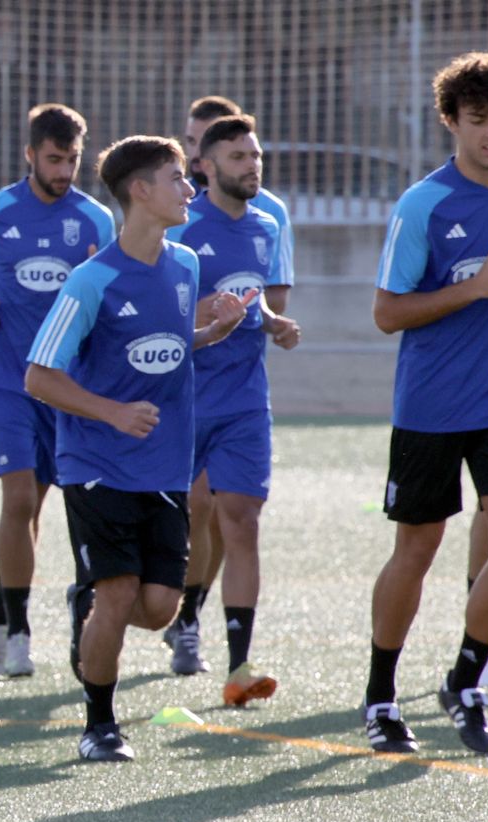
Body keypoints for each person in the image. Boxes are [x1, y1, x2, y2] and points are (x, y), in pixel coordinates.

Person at [25, 134, 246, 762]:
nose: (190, 190)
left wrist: (213, 331)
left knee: (156, 609)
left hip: (166, 464)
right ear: (140, 192)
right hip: (95, 464)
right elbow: (39, 376)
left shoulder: (185, 265)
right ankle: (99, 725)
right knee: (119, 593)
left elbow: (168, 349)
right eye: (178, 178)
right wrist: (112, 412)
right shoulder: (91, 281)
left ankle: (86, 608)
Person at [365, 51, 488, 756]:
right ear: (451, 121)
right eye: (479, 119)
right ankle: (381, 695)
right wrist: (473, 288)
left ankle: (464, 680)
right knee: (417, 549)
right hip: (429, 407)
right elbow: (388, 313)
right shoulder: (423, 204)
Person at [0, 104, 114, 678]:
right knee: (19, 501)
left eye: (72, 160)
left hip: (66, 387)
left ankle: (0, 606)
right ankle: (18, 632)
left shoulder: (94, 220)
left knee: (43, 506)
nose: (64, 170)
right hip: (6, 380)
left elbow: (105, 290)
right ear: (31, 155)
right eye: (54, 159)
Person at [165, 114, 301, 705]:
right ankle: (145, 612)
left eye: (256, 155)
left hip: (245, 399)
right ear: (205, 166)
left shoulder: (267, 226)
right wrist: (203, 317)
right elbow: (158, 315)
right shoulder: (180, 228)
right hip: (184, 396)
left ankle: (239, 665)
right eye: (239, 157)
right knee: (176, 521)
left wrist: (274, 323)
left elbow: (254, 302)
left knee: (240, 521)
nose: (253, 165)